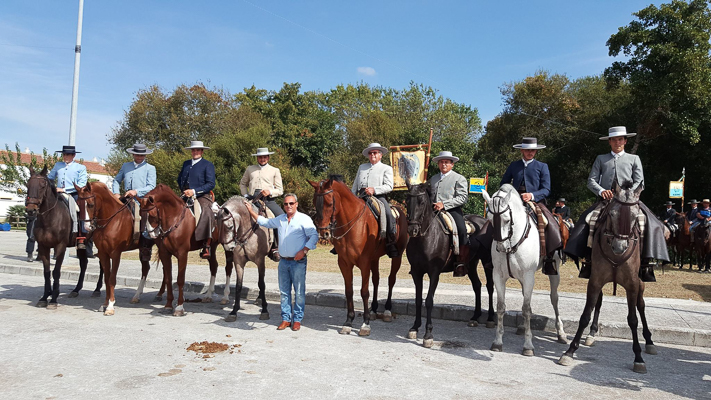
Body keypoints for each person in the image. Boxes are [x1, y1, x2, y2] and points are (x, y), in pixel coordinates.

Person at [565, 126, 669, 281]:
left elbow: (640, 181)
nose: (617, 142)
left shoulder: (634, 159)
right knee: (589, 220)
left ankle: (646, 262)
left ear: (625, 141)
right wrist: (601, 191)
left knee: (645, 222)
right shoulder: (601, 158)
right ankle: (588, 259)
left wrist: (628, 194)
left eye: (620, 139)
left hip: (629, 201)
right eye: (614, 139)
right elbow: (591, 181)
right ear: (609, 142)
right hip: (606, 200)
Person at [243, 193, 318, 331]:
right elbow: (265, 222)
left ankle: (297, 319)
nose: (288, 206)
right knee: (284, 292)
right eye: (285, 204)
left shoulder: (304, 219)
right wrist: (251, 212)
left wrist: (305, 250)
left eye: (291, 203)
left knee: (299, 292)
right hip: (283, 262)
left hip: (298, 262)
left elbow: (314, 236)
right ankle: (285, 319)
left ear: (296, 204)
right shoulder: (281, 219)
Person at [500, 137, 562, 275]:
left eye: (533, 150)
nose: (530, 152)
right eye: (528, 150)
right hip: (514, 201)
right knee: (496, 219)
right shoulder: (513, 165)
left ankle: (550, 257)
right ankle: (492, 256)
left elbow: (546, 189)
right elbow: (503, 184)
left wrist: (532, 195)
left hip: (535, 202)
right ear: (522, 150)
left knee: (550, 223)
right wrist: (511, 194)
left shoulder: (542, 166)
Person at [352, 143, 398, 258]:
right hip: (361, 196)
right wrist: (352, 197)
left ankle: (390, 241)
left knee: (388, 213)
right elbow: (355, 185)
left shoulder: (386, 168)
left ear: (380, 155)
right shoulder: (362, 167)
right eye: (370, 153)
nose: (372, 155)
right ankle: (341, 241)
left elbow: (389, 186)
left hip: (378, 197)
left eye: (375, 153)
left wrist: (374, 190)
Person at [111, 143, 157, 261]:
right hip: (125, 197)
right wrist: (116, 193)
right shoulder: (126, 166)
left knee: (146, 218)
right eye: (137, 155)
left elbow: (151, 186)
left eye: (142, 155)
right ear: (133, 154)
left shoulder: (150, 168)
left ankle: (146, 245)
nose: (139, 157)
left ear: (145, 156)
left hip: (142, 199)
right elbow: (116, 180)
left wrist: (136, 191)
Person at [428, 151, 469, 277]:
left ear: (452, 164)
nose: (443, 164)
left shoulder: (459, 178)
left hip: (452, 210)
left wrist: (444, 204)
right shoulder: (433, 179)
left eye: (446, 162)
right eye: (441, 162)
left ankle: (460, 262)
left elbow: (463, 197)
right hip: (433, 210)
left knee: (462, 230)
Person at [240, 147, 284, 261]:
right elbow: (242, 184)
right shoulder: (250, 169)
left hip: (267, 200)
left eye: (264, 157)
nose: (262, 159)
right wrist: (245, 195)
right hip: (252, 199)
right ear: (257, 158)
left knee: (281, 218)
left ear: (268, 158)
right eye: (260, 157)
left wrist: (270, 191)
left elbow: (280, 190)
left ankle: (276, 247)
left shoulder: (275, 170)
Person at [47, 145, 91, 253]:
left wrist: (65, 189)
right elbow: (50, 178)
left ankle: (81, 237)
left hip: (73, 193)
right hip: (57, 192)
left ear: (73, 155)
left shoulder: (80, 167)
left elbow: (81, 184)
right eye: (64, 154)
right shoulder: (58, 165)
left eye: (68, 154)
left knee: (81, 210)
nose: (65, 156)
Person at [177, 141, 216, 259]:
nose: (195, 152)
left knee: (207, 212)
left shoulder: (207, 165)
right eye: (193, 150)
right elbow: (180, 179)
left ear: (202, 151)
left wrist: (194, 191)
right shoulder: (186, 164)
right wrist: (184, 191)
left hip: (202, 195)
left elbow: (210, 184)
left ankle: (206, 244)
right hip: (185, 194)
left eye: (198, 150)